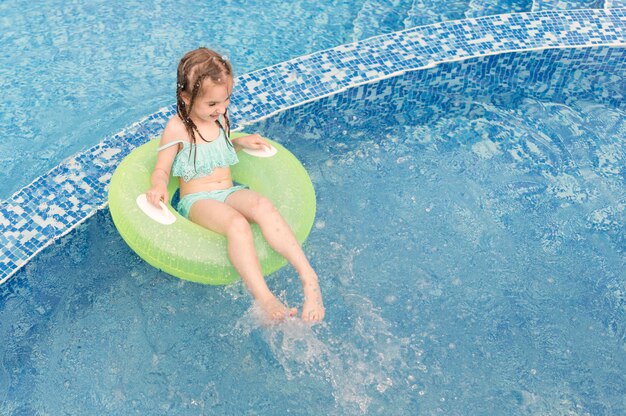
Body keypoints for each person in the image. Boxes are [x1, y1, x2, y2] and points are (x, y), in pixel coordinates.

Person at [146, 47, 324, 322]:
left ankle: (308, 276)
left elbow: (218, 152)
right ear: (186, 97)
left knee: (263, 205)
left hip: (228, 192)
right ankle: (265, 298)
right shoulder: (177, 127)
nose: (221, 109)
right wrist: (158, 186)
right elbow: (162, 168)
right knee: (237, 224)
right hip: (199, 200)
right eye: (213, 104)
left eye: (226, 101)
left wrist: (238, 143)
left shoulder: (220, 119)